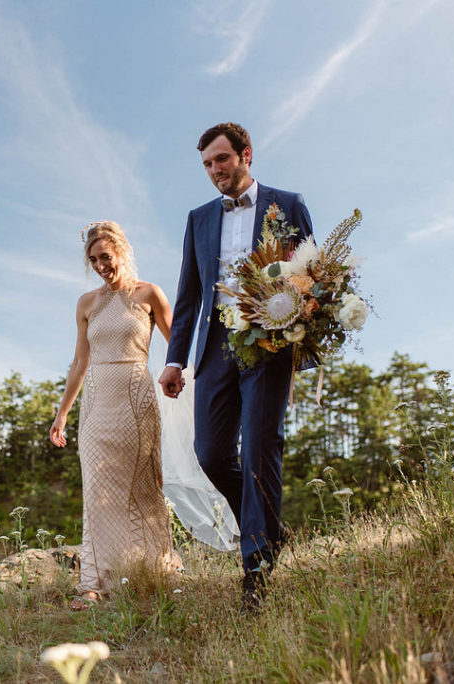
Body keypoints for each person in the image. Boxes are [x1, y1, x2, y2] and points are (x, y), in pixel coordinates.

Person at [158, 122, 313, 613]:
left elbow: (313, 276)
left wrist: (301, 331)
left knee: (261, 446)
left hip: (269, 340)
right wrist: (175, 360)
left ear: (246, 154)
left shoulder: (287, 204)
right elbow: (187, 297)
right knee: (210, 453)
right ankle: (269, 524)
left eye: (221, 160)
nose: (214, 171)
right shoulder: (199, 219)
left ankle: (257, 570)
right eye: (207, 164)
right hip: (215, 346)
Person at [50, 221, 182, 611]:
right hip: (95, 403)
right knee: (95, 490)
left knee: (142, 487)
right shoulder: (86, 303)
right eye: (93, 260)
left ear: (122, 252)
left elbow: (177, 347)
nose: (100, 265)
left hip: (135, 397)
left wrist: (183, 378)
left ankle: (156, 571)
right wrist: (62, 414)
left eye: (105, 257)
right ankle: (93, 583)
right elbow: (78, 363)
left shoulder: (149, 294)